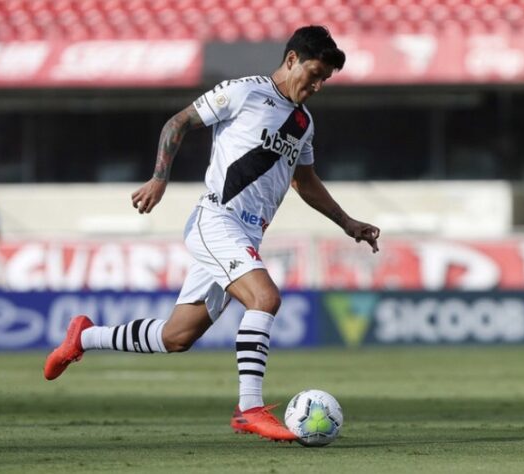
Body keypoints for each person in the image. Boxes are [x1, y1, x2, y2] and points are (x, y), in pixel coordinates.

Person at [44, 26, 380, 442]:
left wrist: (348, 222)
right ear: (291, 59)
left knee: (177, 336)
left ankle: (85, 336)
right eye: (313, 73)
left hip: (247, 234)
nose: (316, 85)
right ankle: (249, 408)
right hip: (217, 220)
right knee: (265, 298)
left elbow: (304, 181)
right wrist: (158, 179)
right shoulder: (245, 93)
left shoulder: (302, 122)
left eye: (324, 80)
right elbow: (178, 122)